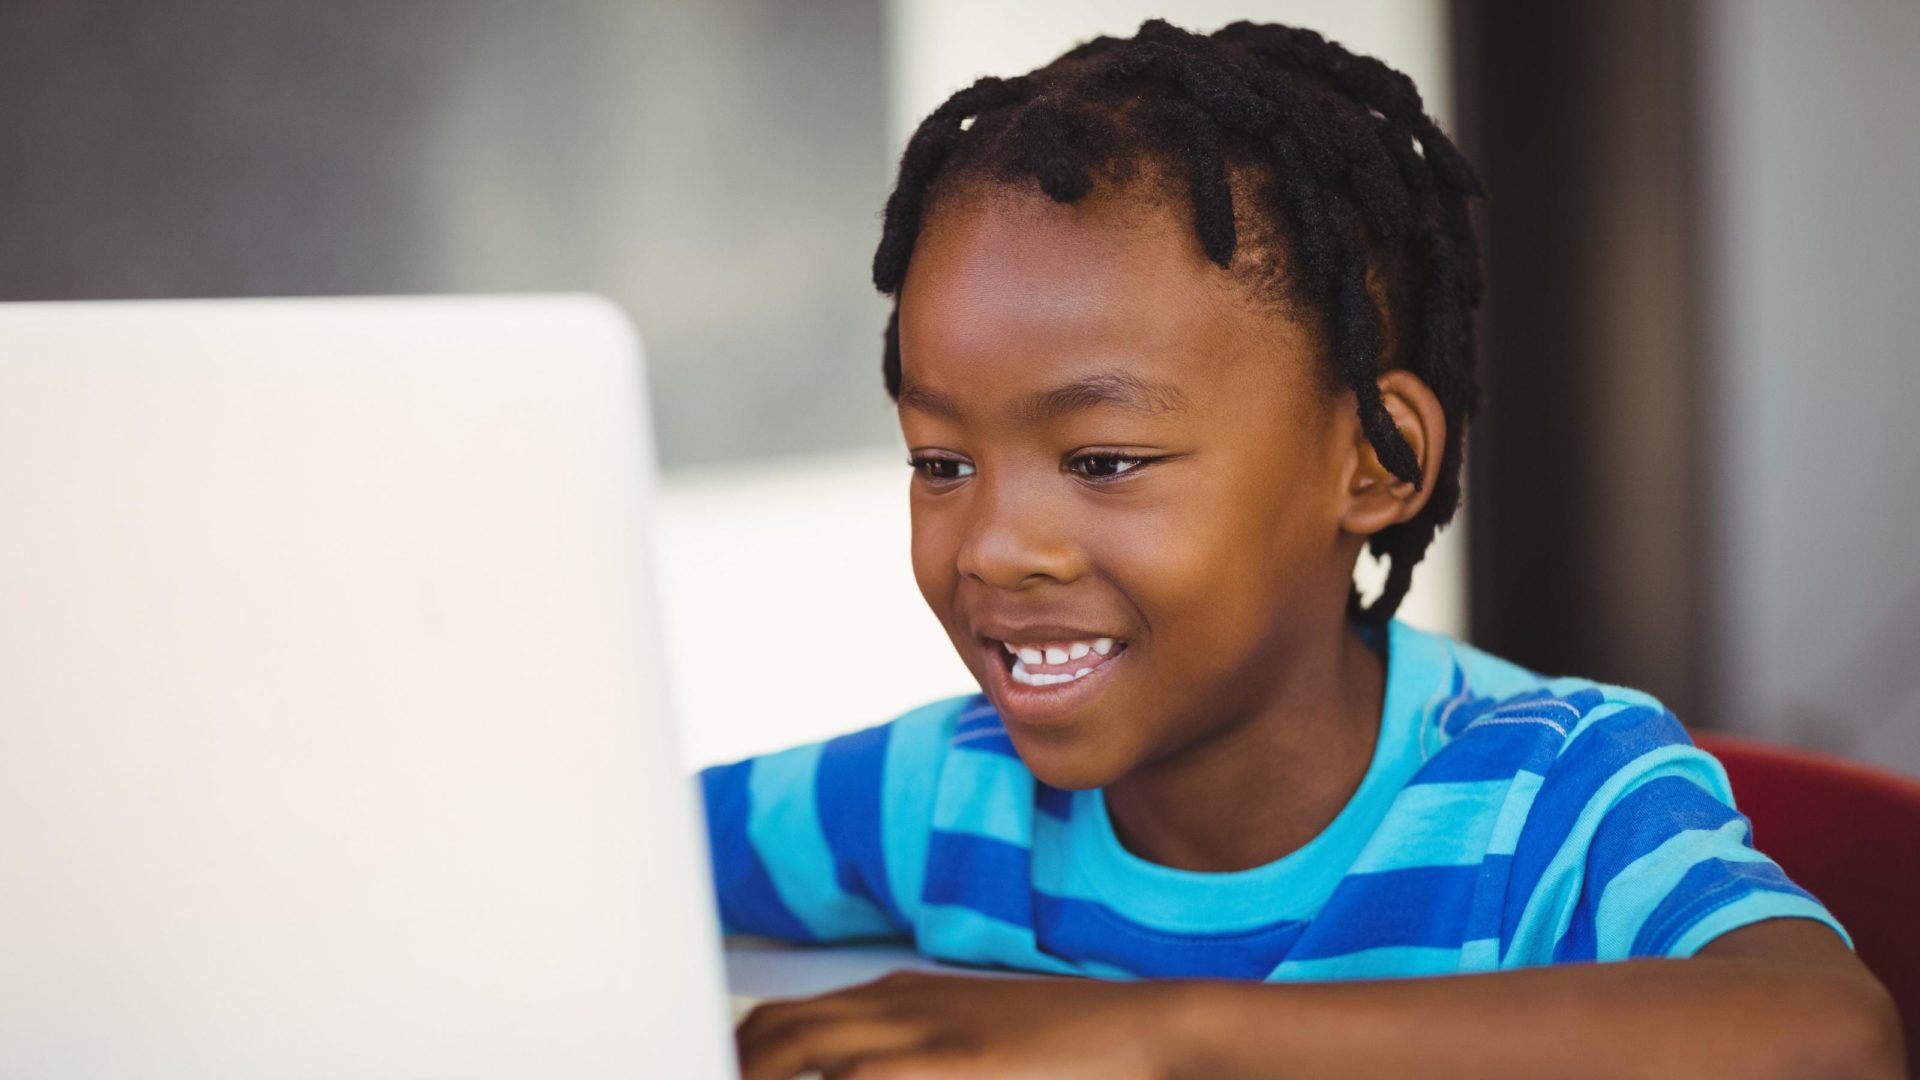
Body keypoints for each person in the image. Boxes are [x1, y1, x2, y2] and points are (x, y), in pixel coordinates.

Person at [702, 19, 1905, 1079]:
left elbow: (1826, 1040)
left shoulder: (1552, 800)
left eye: (1105, 461)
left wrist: (1165, 1038)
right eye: (941, 463)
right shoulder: (940, 796)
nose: (997, 550)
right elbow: (592, 855)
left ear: (1374, 463)